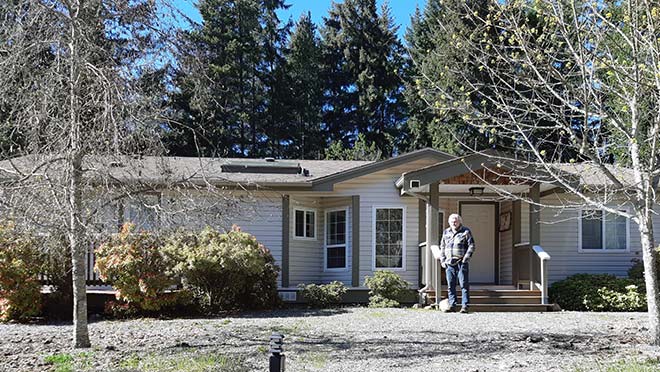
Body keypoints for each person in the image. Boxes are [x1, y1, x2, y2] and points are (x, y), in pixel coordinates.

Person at [439, 213, 475, 313]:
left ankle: (465, 306)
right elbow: (442, 247)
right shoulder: (446, 232)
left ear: (460, 222)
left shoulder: (466, 232)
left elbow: (471, 246)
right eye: (452, 221)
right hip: (449, 263)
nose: (454, 223)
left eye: (456, 221)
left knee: (464, 285)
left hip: (461, 262)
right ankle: (452, 305)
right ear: (449, 222)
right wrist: (442, 260)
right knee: (451, 285)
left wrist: (465, 259)